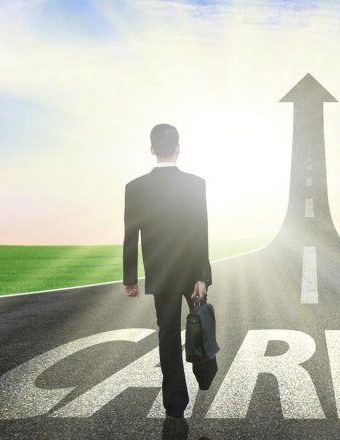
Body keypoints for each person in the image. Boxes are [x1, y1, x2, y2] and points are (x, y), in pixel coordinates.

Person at [122, 123, 216, 419]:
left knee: (168, 336)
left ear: (152, 149)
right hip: (191, 271)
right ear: (178, 149)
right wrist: (202, 275)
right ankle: (205, 369)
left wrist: (130, 278)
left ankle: (175, 404)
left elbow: (130, 234)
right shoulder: (195, 184)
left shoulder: (135, 187)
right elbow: (200, 230)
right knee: (201, 321)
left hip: (160, 273)